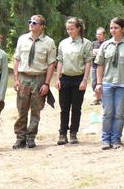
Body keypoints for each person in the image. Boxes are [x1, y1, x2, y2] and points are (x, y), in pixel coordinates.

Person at [95, 17, 124, 150]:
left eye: (116, 28)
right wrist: (99, 83)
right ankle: (105, 140)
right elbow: (99, 65)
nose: (113, 30)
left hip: (123, 84)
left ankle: (116, 140)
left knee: (119, 114)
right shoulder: (105, 45)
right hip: (107, 83)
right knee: (107, 113)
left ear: (123, 29)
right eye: (111, 28)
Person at [12, 14, 57, 149]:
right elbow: (16, 59)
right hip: (24, 77)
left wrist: (46, 83)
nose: (31, 24)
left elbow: (51, 64)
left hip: (39, 78)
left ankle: (31, 137)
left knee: (36, 110)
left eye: (34, 23)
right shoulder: (22, 39)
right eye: (30, 21)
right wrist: (16, 79)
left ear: (42, 26)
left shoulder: (49, 42)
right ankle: (20, 138)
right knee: (21, 109)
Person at [56, 17, 93, 145]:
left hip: (78, 78)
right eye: (67, 29)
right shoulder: (63, 43)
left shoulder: (86, 44)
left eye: (72, 28)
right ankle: (62, 134)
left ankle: (73, 133)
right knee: (64, 108)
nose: (69, 31)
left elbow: (88, 62)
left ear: (78, 28)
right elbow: (60, 61)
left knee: (76, 108)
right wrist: (58, 78)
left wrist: (85, 80)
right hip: (65, 78)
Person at [91, 27, 107, 105]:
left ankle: (102, 98)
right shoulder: (93, 43)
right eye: (97, 34)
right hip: (94, 66)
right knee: (94, 82)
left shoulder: (107, 43)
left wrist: (98, 51)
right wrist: (94, 52)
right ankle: (97, 98)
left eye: (100, 34)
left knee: (102, 82)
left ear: (104, 35)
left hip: (104, 66)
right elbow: (90, 53)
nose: (98, 36)